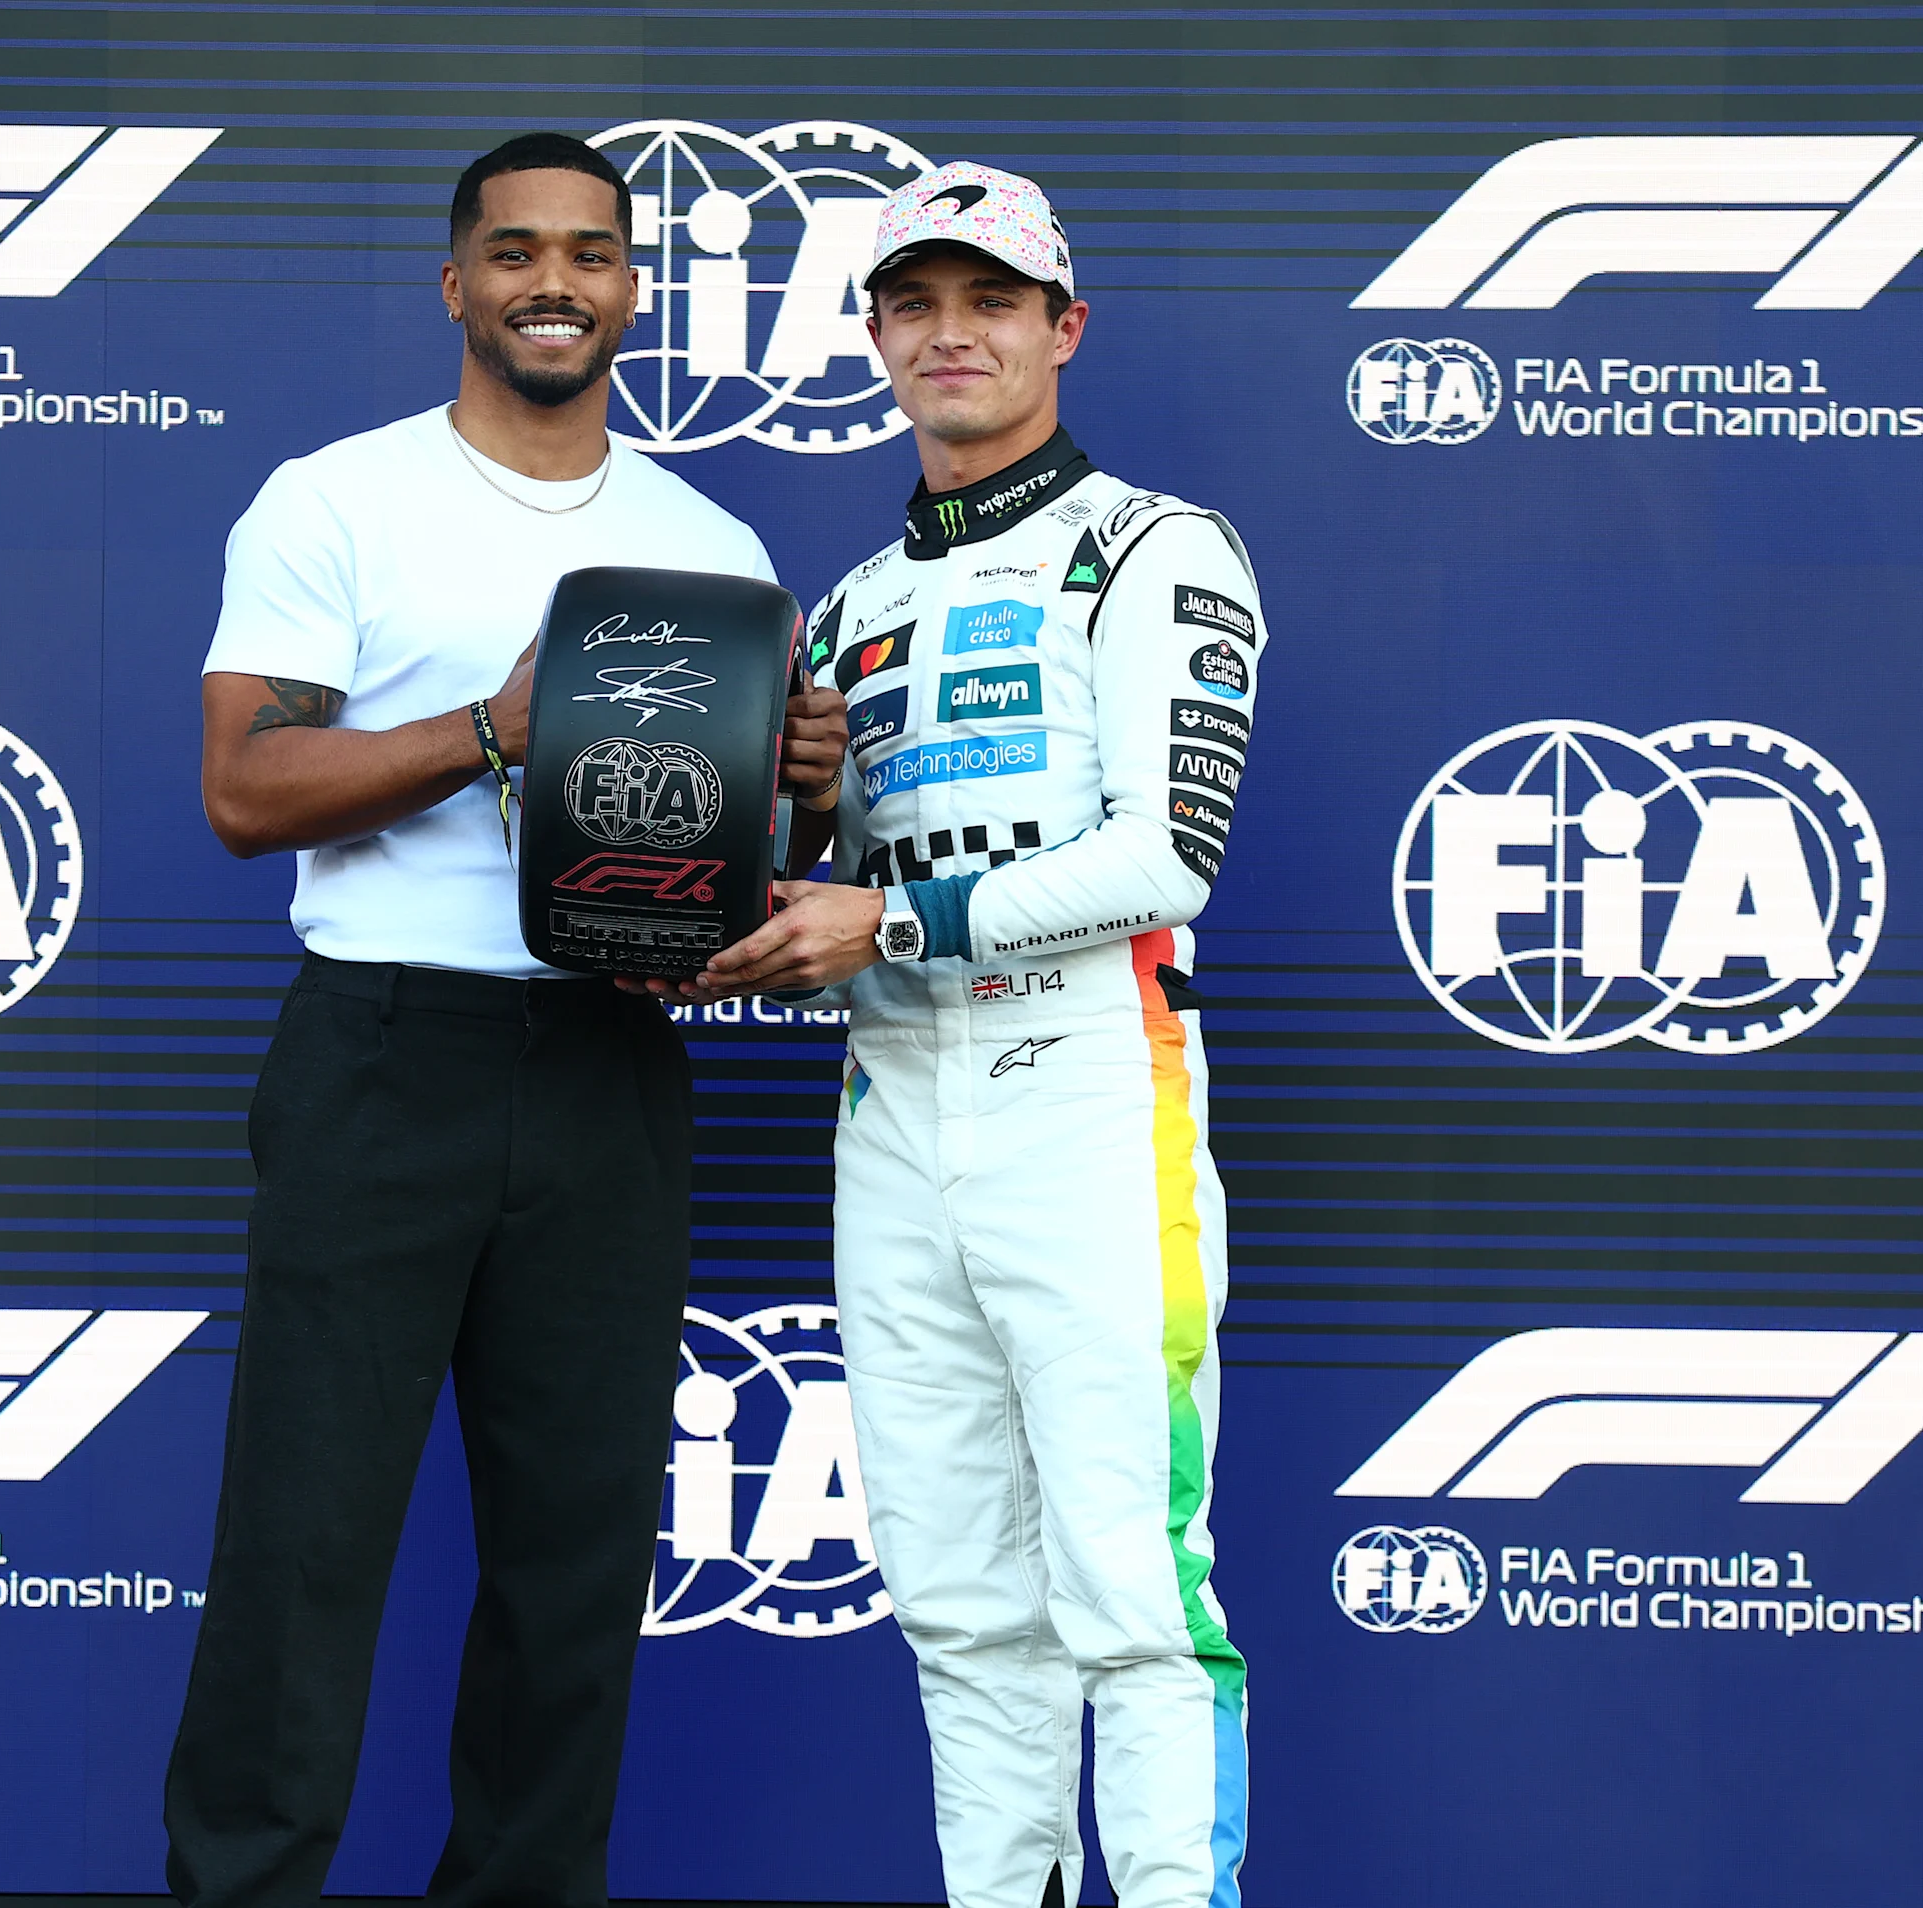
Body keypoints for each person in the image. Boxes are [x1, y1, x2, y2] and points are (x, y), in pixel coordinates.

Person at [165, 132, 846, 1908]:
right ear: (456, 281)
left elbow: (731, 870)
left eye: (597, 254)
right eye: (519, 250)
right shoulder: (339, 499)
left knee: (575, 1565)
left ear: (635, 290)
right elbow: (245, 789)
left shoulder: (707, 544)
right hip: (387, 1057)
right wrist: (492, 726)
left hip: (613, 1061)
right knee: (303, 1550)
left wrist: (814, 800)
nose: (560, 281)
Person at [657, 163, 1265, 1908]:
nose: (952, 333)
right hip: (894, 1101)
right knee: (958, 1603)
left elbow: (1168, 856)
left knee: (1137, 1598)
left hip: (1088, 1084)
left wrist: (881, 919)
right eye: (913, 302)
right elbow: (808, 901)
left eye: (991, 300)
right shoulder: (842, 607)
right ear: (871, 338)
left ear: (1062, 328)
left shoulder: (1154, 545)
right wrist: (715, 906)